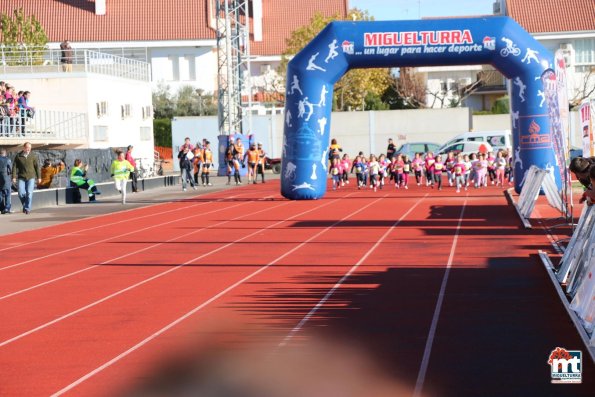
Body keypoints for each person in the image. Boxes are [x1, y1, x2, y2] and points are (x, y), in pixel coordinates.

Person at [12, 142, 40, 214]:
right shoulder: (18, 156)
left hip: (31, 177)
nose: (28, 149)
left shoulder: (33, 156)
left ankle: (27, 208)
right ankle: (25, 205)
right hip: (21, 177)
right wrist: (14, 177)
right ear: (24, 148)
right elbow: (14, 167)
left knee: (29, 193)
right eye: (27, 148)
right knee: (21, 193)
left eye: (30, 148)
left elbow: (37, 167)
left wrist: (39, 177)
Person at [0, 148, 12, 214]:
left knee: (0, 195)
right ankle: (7, 208)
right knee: (7, 194)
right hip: (6, 179)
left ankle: (1, 209)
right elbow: (10, 170)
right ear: (5, 153)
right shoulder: (7, 160)